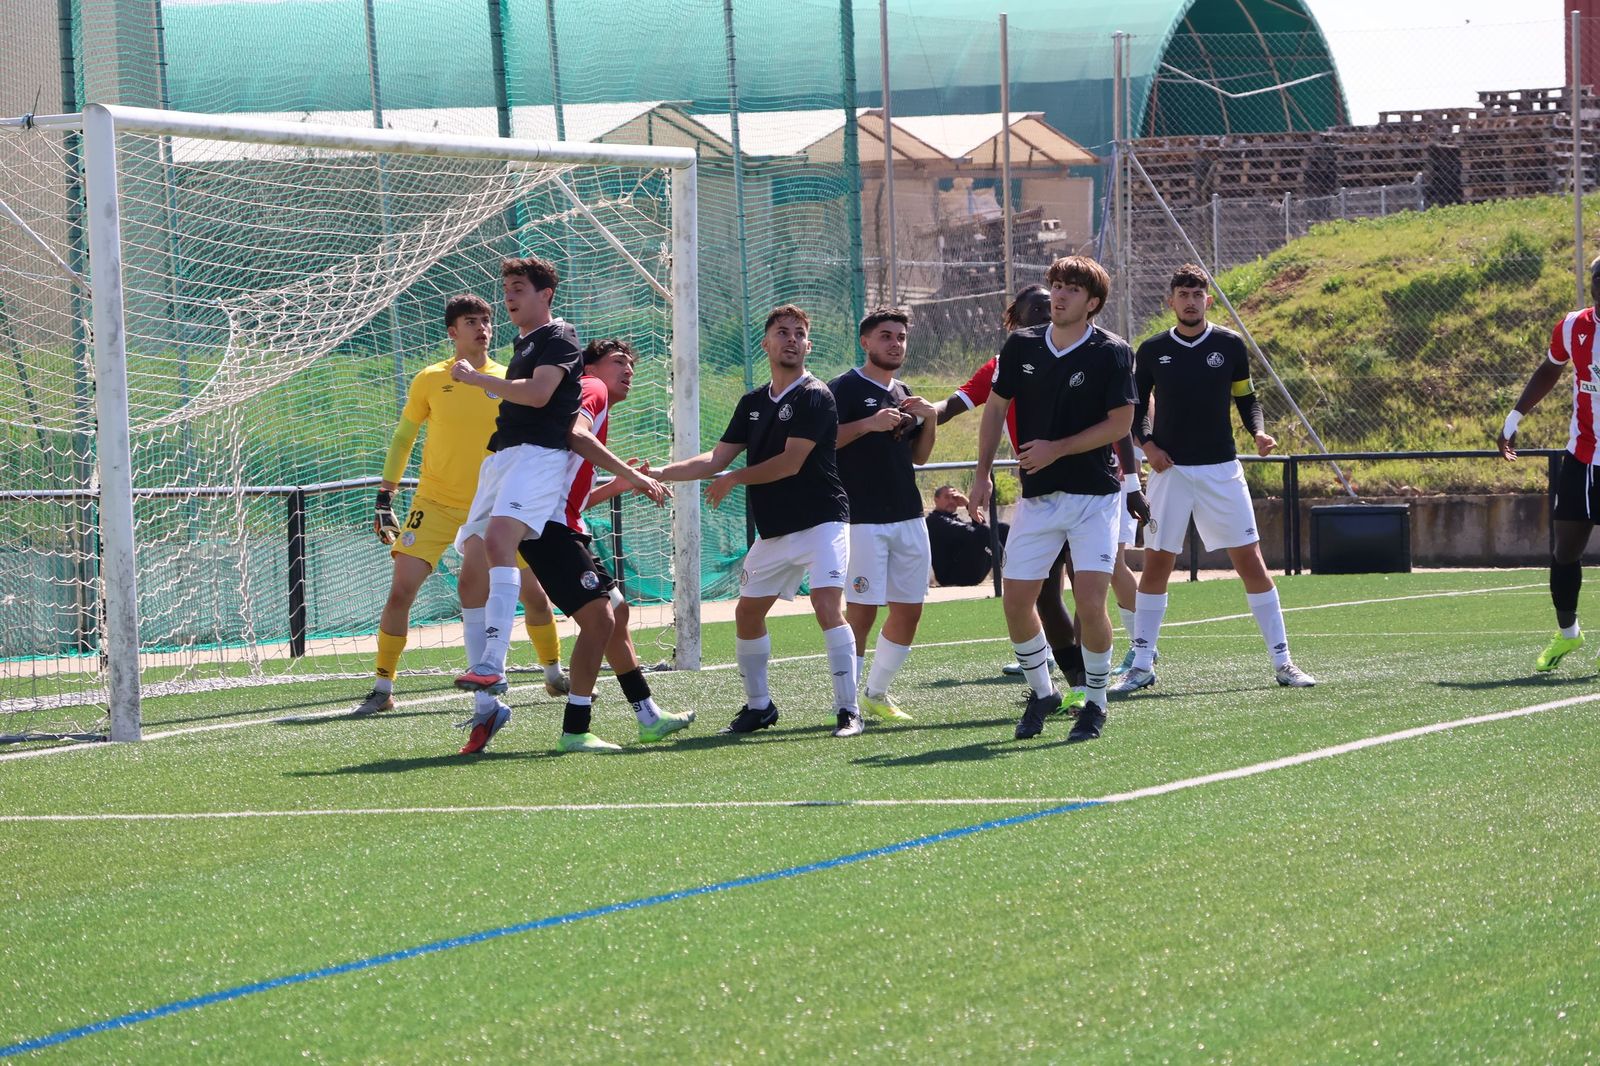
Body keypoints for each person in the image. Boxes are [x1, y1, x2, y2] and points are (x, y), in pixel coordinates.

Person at [451, 257, 664, 755]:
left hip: (542, 483)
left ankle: (510, 678)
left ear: (546, 294)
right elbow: (568, 425)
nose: (508, 296)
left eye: (519, 287)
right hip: (514, 466)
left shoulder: (558, 340)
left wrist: (627, 477)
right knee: (475, 567)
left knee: (604, 614)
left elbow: (549, 404)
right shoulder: (565, 367)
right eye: (506, 287)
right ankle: (492, 702)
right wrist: (629, 478)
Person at [351, 293, 569, 719]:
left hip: (496, 508)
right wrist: (385, 494)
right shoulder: (430, 378)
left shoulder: (509, 380)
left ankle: (554, 674)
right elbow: (403, 437)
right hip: (435, 503)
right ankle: (382, 686)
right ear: (453, 332)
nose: (482, 327)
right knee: (401, 591)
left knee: (537, 597)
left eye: (486, 320)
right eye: (472, 321)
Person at [653, 304, 861, 737]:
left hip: (823, 521)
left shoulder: (815, 395)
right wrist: (657, 473)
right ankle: (760, 707)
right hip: (776, 530)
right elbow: (715, 459)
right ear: (765, 343)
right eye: (782, 332)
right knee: (747, 614)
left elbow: (790, 463)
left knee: (827, 606)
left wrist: (735, 479)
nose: (791, 339)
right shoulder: (751, 403)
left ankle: (848, 711)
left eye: (799, 333)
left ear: (808, 345)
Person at [1111, 263, 1315, 695]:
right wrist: (1147, 447)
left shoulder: (1229, 344)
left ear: (1208, 300)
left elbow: (1247, 397)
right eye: (1182, 293)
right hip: (1171, 473)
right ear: (1170, 300)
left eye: (1197, 293)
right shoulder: (1150, 350)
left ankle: (1283, 661)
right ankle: (1142, 663)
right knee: (1158, 563)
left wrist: (1257, 431)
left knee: (1251, 561)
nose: (1189, 300)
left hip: (1222, 470)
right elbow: (1133, 408)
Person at [970, 256, 1135, 742]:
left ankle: (1096, 702)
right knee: (1018, 602)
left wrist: (1057, 448)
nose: (1059, 296)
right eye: (1056, 286)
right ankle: (1044, 692)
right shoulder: (1020, 345)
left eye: (1071, 290)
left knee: (1089, 602)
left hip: (1094, 498)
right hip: (1038, 498)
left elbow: (1120, 424)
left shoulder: (1112, 352)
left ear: (1093, 304)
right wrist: (981, 474)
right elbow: (995, 406)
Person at [525, 338, 694, 744]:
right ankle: (575, 730)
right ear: (592, 367)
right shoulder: (591, 388)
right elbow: (576, 435)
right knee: (600, 619)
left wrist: (617, 485)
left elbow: (574, 496)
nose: (629, 370)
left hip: (561, 523)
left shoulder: (596, 399)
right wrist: (635, 476)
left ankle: (648, 716)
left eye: (632, 364)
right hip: (548, 528)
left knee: (617, 613)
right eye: (619, 361)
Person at [829, 307, 939, 722]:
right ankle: (847, 702)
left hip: (909, 517)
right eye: (886, 336)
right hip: (862, 519)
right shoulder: (842, 388)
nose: (895, 344)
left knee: (909, 608)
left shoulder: (903, 390)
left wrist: (929, 419)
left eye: (901, 337)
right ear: (866, 342)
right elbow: (823, 443)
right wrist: (868, 424)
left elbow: (920, 457)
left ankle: (877, 692)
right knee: (862, 611)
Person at [1497, 253, 1600, 672]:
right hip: (1582, 457)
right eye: (1598, 278)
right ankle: (1568, 634)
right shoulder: (1575, 325)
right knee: (1564, 551)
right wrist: (1514, 417)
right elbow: (1550, 368)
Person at [926, 485, 1002, 586]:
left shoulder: (952, 519)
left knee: (1001, 528)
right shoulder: (935, 521)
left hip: (967, 571)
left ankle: (1005, 562)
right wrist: (968, 504)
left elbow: (979, 531)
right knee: (985, 531)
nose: (951, 501)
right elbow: (976, 533)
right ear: (936, 500)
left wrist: (969, 506)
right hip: (952, 576)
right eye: (947, 497)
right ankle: (1007, 562)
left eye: (954, 498)